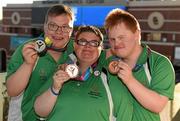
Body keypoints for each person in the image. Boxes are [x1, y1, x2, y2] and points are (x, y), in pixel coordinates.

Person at [34, 25, 133, 121]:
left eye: (94, 43)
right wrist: (55, 88)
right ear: (74, 45)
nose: (87, 46)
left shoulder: (110, 76)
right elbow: (39, 112)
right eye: (82, 41)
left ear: (101, 48)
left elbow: (125, 112)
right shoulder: (60, 71)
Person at [6, 4, 75, 121]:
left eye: (65, 27)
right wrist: (28, 64)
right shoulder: (28, 49)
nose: (59, 32)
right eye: (53, 26)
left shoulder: (76, 52)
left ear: (71, 30)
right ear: (45, 27)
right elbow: (12, 91)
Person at [104, 8, 175, 121]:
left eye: (121, 37)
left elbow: (158, 105)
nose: (116, 43)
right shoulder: (107, 61)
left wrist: (130, 80)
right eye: (112, 39)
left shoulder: (159, 63)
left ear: (137, 34)